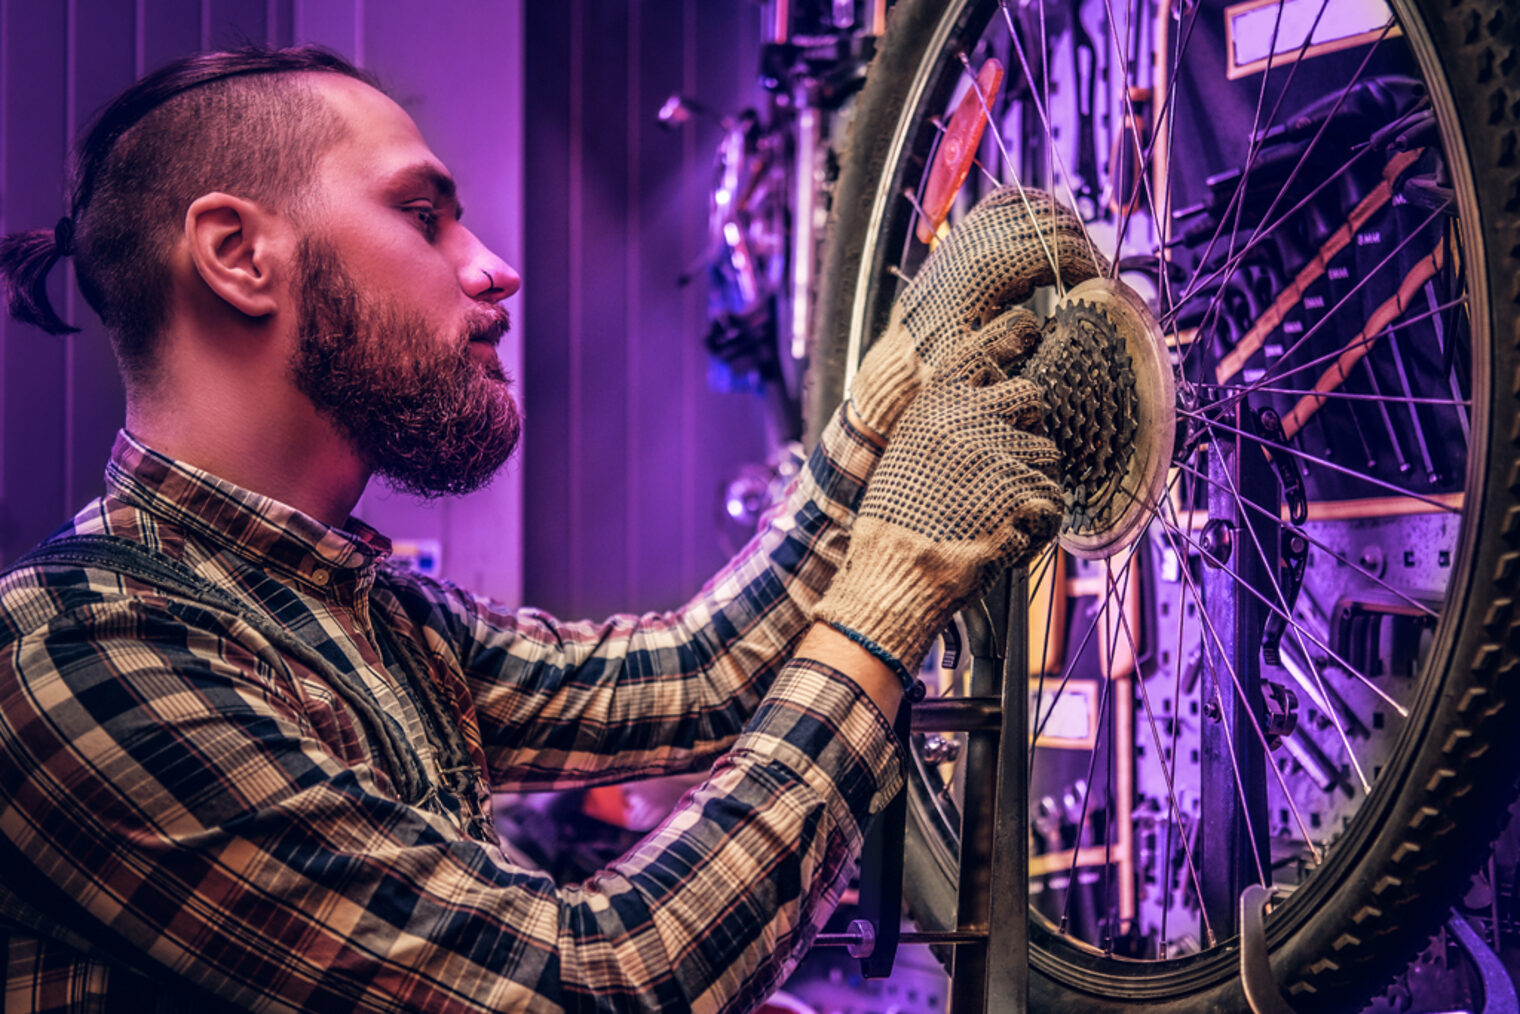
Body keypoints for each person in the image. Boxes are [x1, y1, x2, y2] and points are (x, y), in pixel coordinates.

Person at [0, 45, 1098, 1012]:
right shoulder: (75, 654)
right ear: (239, 254)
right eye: (424, 215)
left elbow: (698, 675)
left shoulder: (365, 612)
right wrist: (887, 597)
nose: (492, 266)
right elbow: (594, 986)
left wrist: (882, 395)